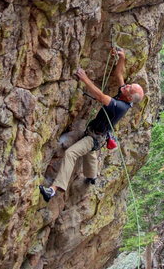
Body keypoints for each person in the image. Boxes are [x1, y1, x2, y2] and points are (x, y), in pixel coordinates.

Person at [39, 48, 144, 201]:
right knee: (91, 154)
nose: (126, 85)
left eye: (129, 87)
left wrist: (84, 78)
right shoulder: (125, 95)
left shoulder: (120, 106)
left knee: (71, 153)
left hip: (95, 137)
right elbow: (119, 74)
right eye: (129, 85)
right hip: (97, 134)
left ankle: (54, 189)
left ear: (129, 96)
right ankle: (91, 176)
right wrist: (122, 57)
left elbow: (101, 97)